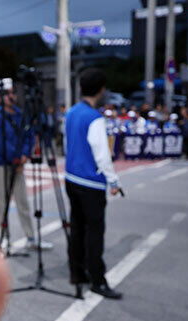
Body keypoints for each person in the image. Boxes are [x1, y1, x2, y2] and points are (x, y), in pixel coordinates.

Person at [64, 68, 123, 300]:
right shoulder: (94, 118)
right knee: (95, 231)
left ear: (80, 88)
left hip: (71, 177)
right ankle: (98, 279)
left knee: (77, 227)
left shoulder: (71, 113)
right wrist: (113, 180)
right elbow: (102, 154)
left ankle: (77, 272)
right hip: (91, 182)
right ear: (101, 89)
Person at [0, 84, 53, 253]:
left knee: (23, 201)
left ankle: (30, 237)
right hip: (1, 164)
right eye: (7, 94)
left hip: (18, 165)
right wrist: (17, 158)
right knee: (3, 203)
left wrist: (24, 156)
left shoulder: (21, 114)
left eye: (13, 93)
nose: (11, 96)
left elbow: (29, 136)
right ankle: (5, 237)